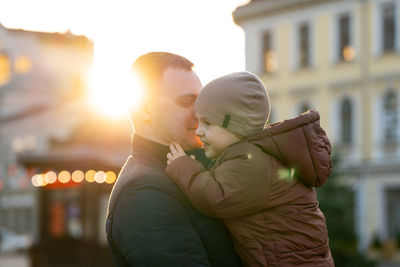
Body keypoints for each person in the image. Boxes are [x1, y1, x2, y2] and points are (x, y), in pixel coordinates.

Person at [166, 71, 335, 267]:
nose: (198, 131)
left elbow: (217, 198)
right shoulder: (250, 155)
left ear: (236, 126)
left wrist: (182, 166)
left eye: (208, 123)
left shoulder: (251, 161)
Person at [106, 52, 242, 267]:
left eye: (203, 101)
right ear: (145, 109)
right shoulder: (143, 192)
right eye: (187, 102)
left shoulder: (196, 168)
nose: (201, 113)